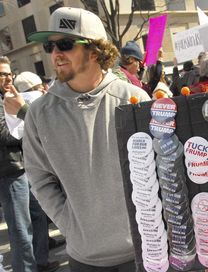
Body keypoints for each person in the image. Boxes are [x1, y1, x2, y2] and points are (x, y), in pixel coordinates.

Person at [21, 7, 150, 271]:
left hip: (144, 250)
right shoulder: (39, 112)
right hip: (84, 257)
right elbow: (39, 178)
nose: (56, 53)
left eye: (66, 44)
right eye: (50, 46)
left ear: (95, 50)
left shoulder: (133, 99)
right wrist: (69, 222)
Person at [0, 57, 59, 272]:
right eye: (1, 74)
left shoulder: (10, 97)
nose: (7, 77)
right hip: (9, 172)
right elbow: (5, 135)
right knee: (20, 229)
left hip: (25, 167)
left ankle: (41, 262)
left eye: (8, 73)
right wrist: (29, 127)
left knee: (38, 217)